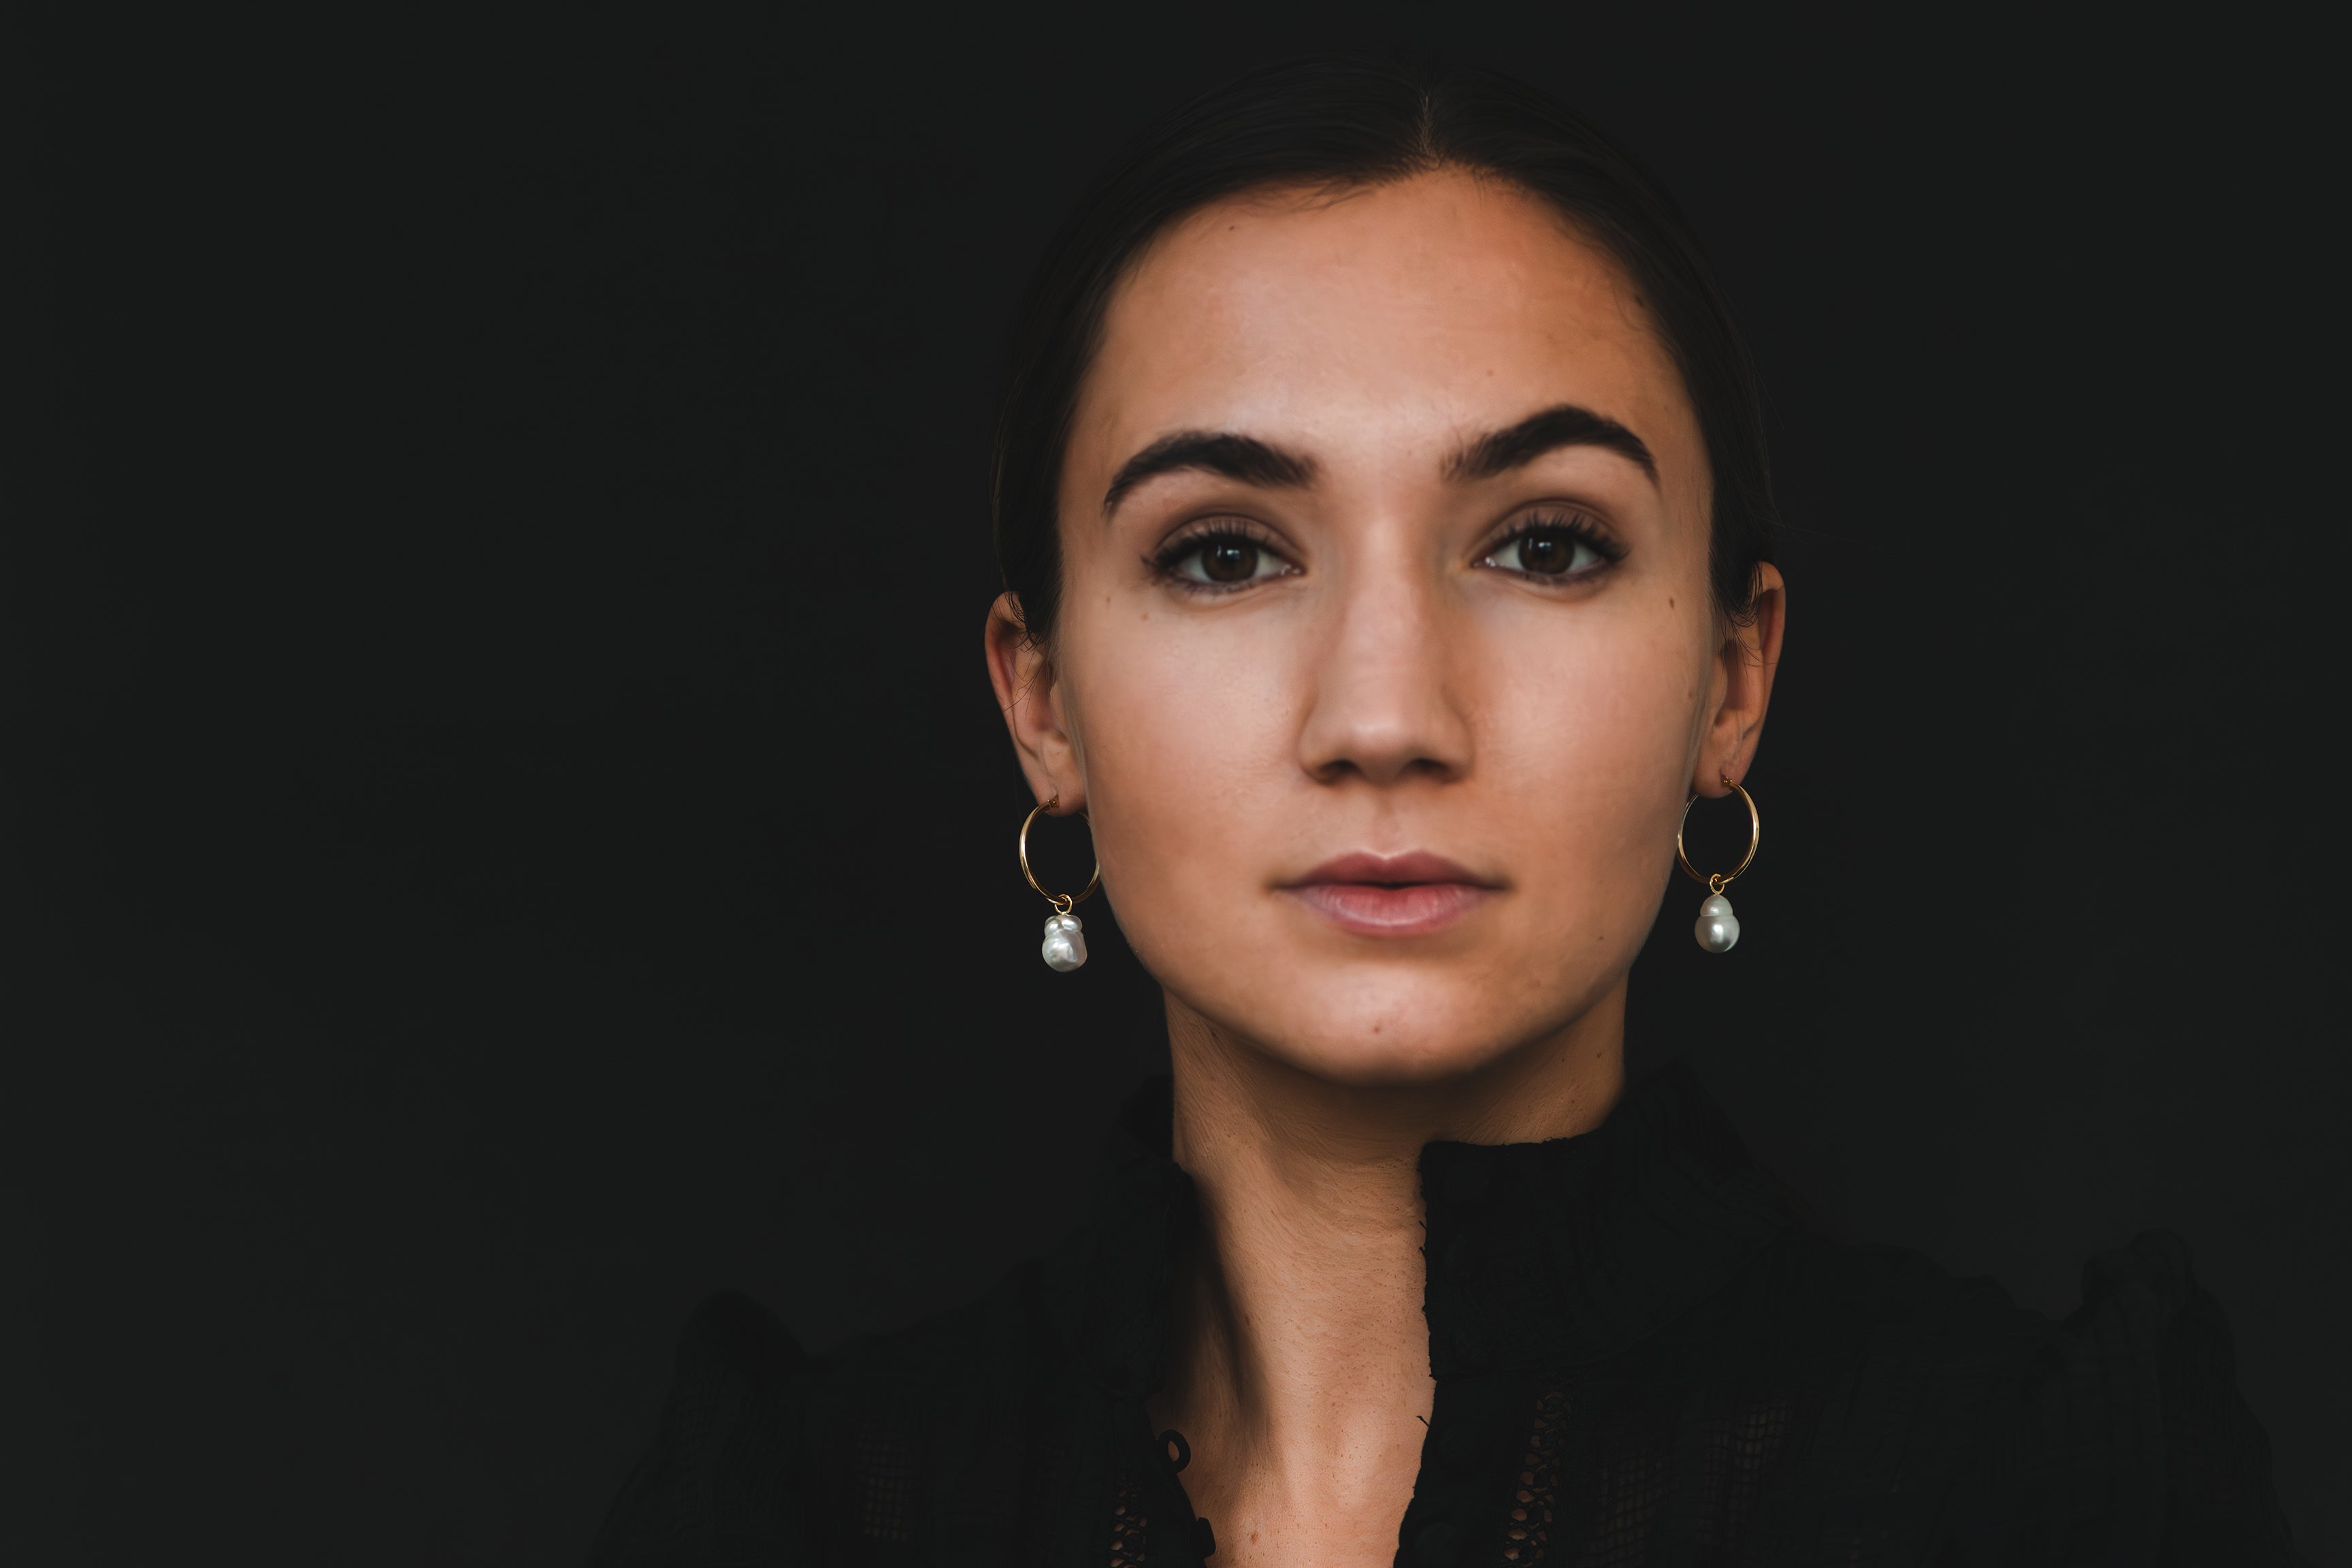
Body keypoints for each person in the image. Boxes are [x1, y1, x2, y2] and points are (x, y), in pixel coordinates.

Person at [589, 58, 2301, 1567]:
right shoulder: (798, 1511)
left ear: (1734, 679)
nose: (1386, 718)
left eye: (1546, 544)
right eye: (1227, 554)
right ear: (1041, 704)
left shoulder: (2051, 1488)